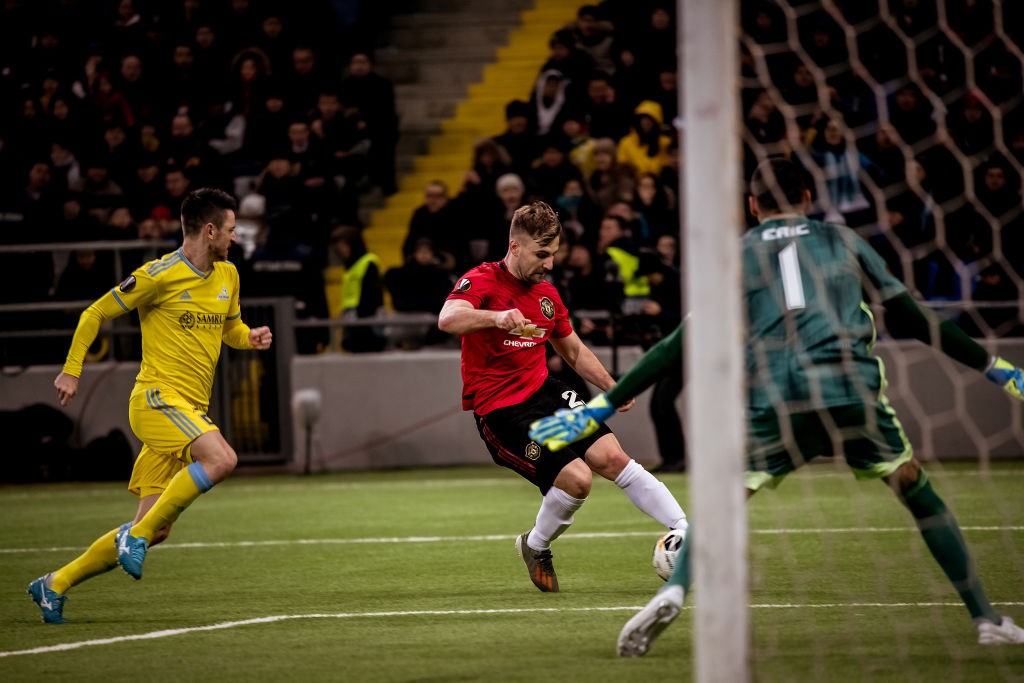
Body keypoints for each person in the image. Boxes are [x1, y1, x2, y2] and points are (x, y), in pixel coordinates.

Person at [528, 158, 1024, 652]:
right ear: (808, 197)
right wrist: (997, 369)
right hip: (849, 392)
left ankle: (676, 589)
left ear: (751, 206)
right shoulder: (843, 240)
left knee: (722, 504)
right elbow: (916, 319)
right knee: (916, 489)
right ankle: (986, 618)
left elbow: (677, 344)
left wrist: (600, 407)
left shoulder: (738, 255)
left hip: (777, 403)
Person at [28, 188, 273, 624]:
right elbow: (93, 313)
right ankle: (133, 539)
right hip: (157, 400)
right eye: (232, 230)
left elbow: (230, 328)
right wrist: (71, 370)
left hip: (188, 411)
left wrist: (249, 338)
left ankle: (53, 584)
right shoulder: (158, 275)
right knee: (222, 458)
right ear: (210, 229)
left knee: (156, 529)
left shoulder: (228, 276)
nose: (235, 238)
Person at [437, 201, 687, 593]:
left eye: (553, 255)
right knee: (578, 480)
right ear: (515, 246)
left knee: (612, 457)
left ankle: (685, 531)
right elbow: (448, 318)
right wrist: (495, 317)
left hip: (547, 396)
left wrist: (612, 386)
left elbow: (572, 351)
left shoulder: (547, 295)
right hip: (502, 413)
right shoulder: (482, 281)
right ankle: (535, 545)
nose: (549, 264)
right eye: (542, 254)